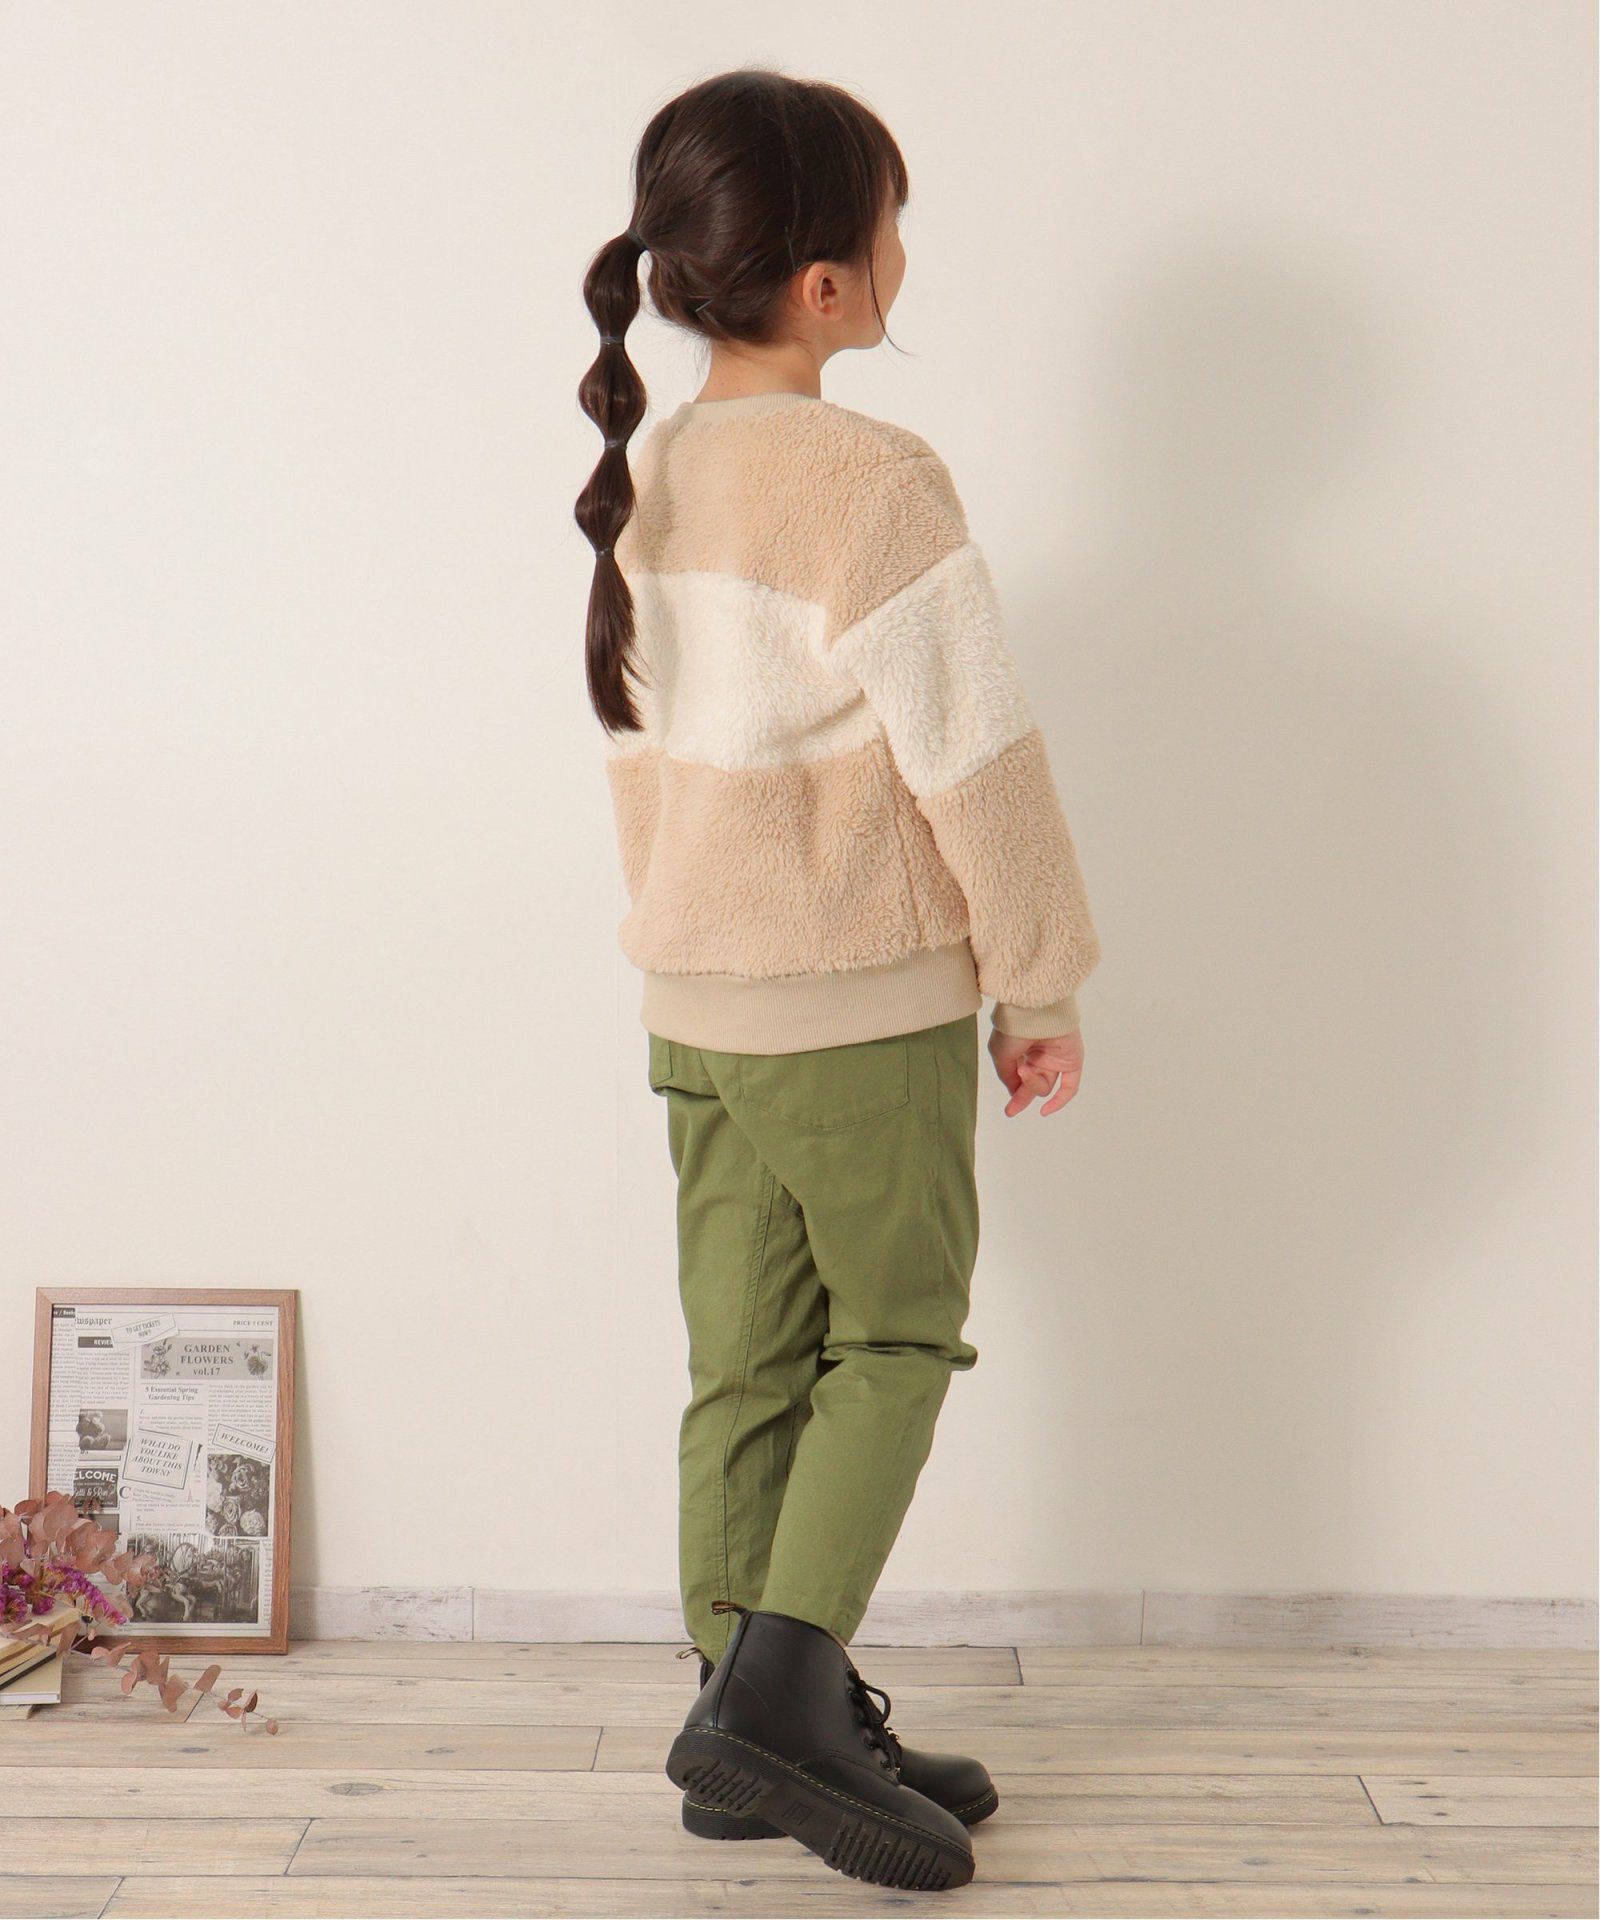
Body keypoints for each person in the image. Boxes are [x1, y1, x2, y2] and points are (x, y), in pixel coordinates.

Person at [575, 67, 1101, 1892]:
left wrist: (687, 942)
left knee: (745, 1367)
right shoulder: (870, 478)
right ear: (824, 282)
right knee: (891, 1342)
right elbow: (978, 762)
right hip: (853, 998)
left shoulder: (644, 473)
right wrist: (1039, 978)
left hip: (696, 1003)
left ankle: (735, 1723)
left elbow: (637, 758)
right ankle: (783, 1708)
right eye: (893, 224)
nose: (903, 256)